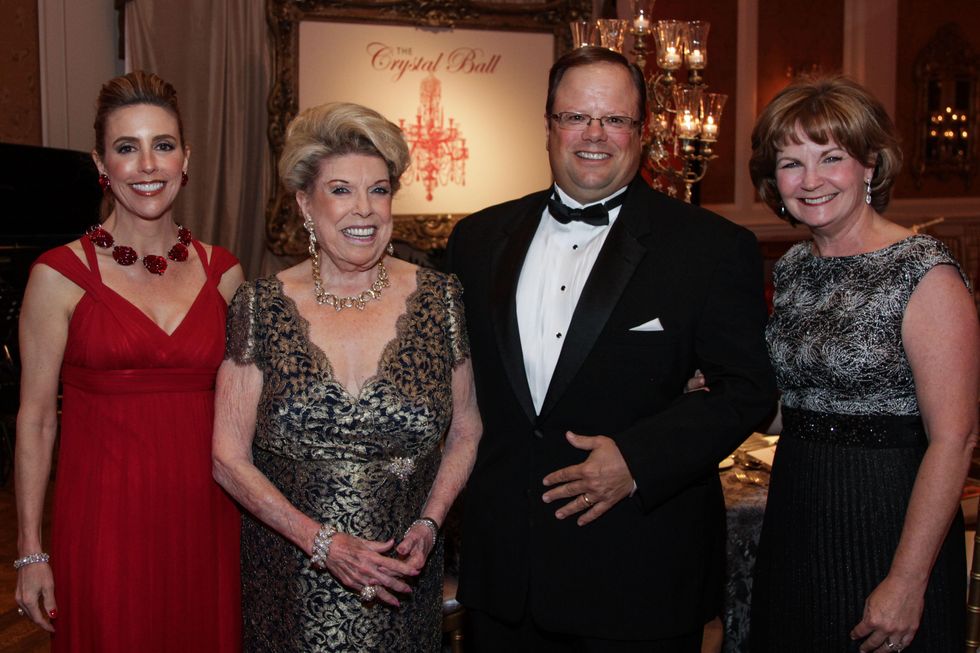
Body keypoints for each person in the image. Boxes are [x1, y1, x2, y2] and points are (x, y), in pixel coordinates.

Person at [445, 46, 777, 652]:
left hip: (638, 576)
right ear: (547, 126)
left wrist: (638, 458)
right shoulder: (475, 240)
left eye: (615, 120)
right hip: (504, 580)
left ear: (642, 132)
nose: (594, 135)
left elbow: (747, 387)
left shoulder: (709, 247)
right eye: (575, 117)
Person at [212, 101, 482, 653]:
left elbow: (467, 430)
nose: (365, 209)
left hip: (403, 583)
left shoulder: (440, 298)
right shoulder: (260, 306)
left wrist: (430, 524)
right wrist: (323, 544)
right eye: (340, 190)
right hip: (291, 580)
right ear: (304, 204)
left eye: (379, 190)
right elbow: (227, 458)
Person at [13, 71, 244, 652]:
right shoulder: (57, 276)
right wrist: (31, 550)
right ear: (101, 162)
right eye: (127, 147)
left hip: (208, 520)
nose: (147, 165)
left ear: (185, 158)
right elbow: (36, 420)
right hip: (104, 522)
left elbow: (252, 413)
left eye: (162, 146)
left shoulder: (226, 275)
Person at [747, 75, 979, 652]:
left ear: (870, 165)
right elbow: (799, 407)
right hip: (797, 516)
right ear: (773, 181)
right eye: (790, 163)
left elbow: (955, 438)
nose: (811, 180)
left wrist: (906, 579)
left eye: (831, 158)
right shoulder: (795, 268)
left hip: (888, 524)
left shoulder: (925, 273)